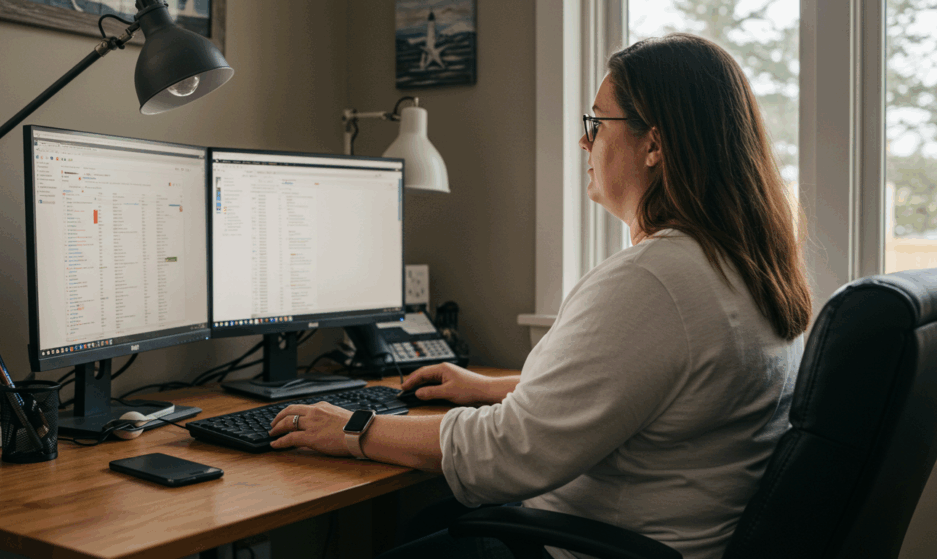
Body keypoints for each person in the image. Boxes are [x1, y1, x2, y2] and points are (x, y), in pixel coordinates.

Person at [267, 32, 812, 559]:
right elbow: (640, 387)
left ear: (655, 143)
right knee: (423, 523)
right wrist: (491, 387)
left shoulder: (656, 280)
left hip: (583, 547)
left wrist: (355, 428)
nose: (584, 141)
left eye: (596, 123)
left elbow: (508, 454)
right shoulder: (739, 264)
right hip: (666, 537)